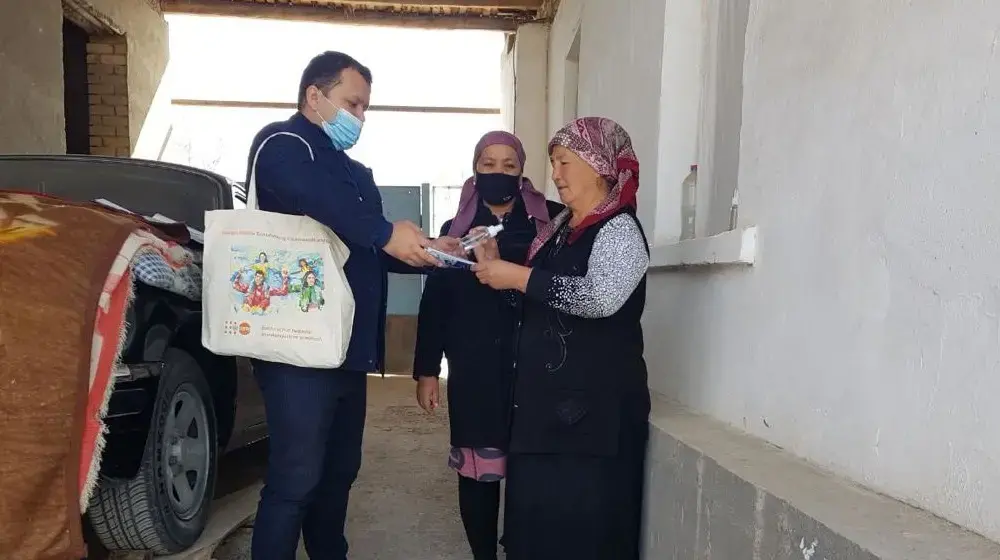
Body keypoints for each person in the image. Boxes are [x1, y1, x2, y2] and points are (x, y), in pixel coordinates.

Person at [244, 51, 459, 560]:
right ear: (313, 97)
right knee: (296, 478)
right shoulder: (283, 144)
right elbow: (318, 199)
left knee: (339, 473)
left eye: (365, 108)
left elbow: (370, 251)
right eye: (351, 103)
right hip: (297, 349)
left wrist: (434, 252)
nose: (359, 117)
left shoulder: (356, 173)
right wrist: (386, 232)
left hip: (348, 348)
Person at [471, 117, 651, 560]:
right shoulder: (562, 230)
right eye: (553, 162)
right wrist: (498, 265)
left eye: (565, 162)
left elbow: (599, 297)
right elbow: (542, 299)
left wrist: (517, 277)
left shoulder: (619, 230)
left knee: (582, 533)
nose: (556, 173)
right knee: (537, 531)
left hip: (593, 425)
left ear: (598, 166)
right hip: (546, 416)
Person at [412, 131, 563, 560]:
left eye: (509, 165)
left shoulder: (550, 223)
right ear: (476, 169)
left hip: (537, 368)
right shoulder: (455, 229)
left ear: (522, 171)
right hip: (475, 370)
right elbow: (435, 304)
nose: (499, 172)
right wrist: (426, 370)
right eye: (489, 164)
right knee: (479, 474)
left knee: (532, 473)